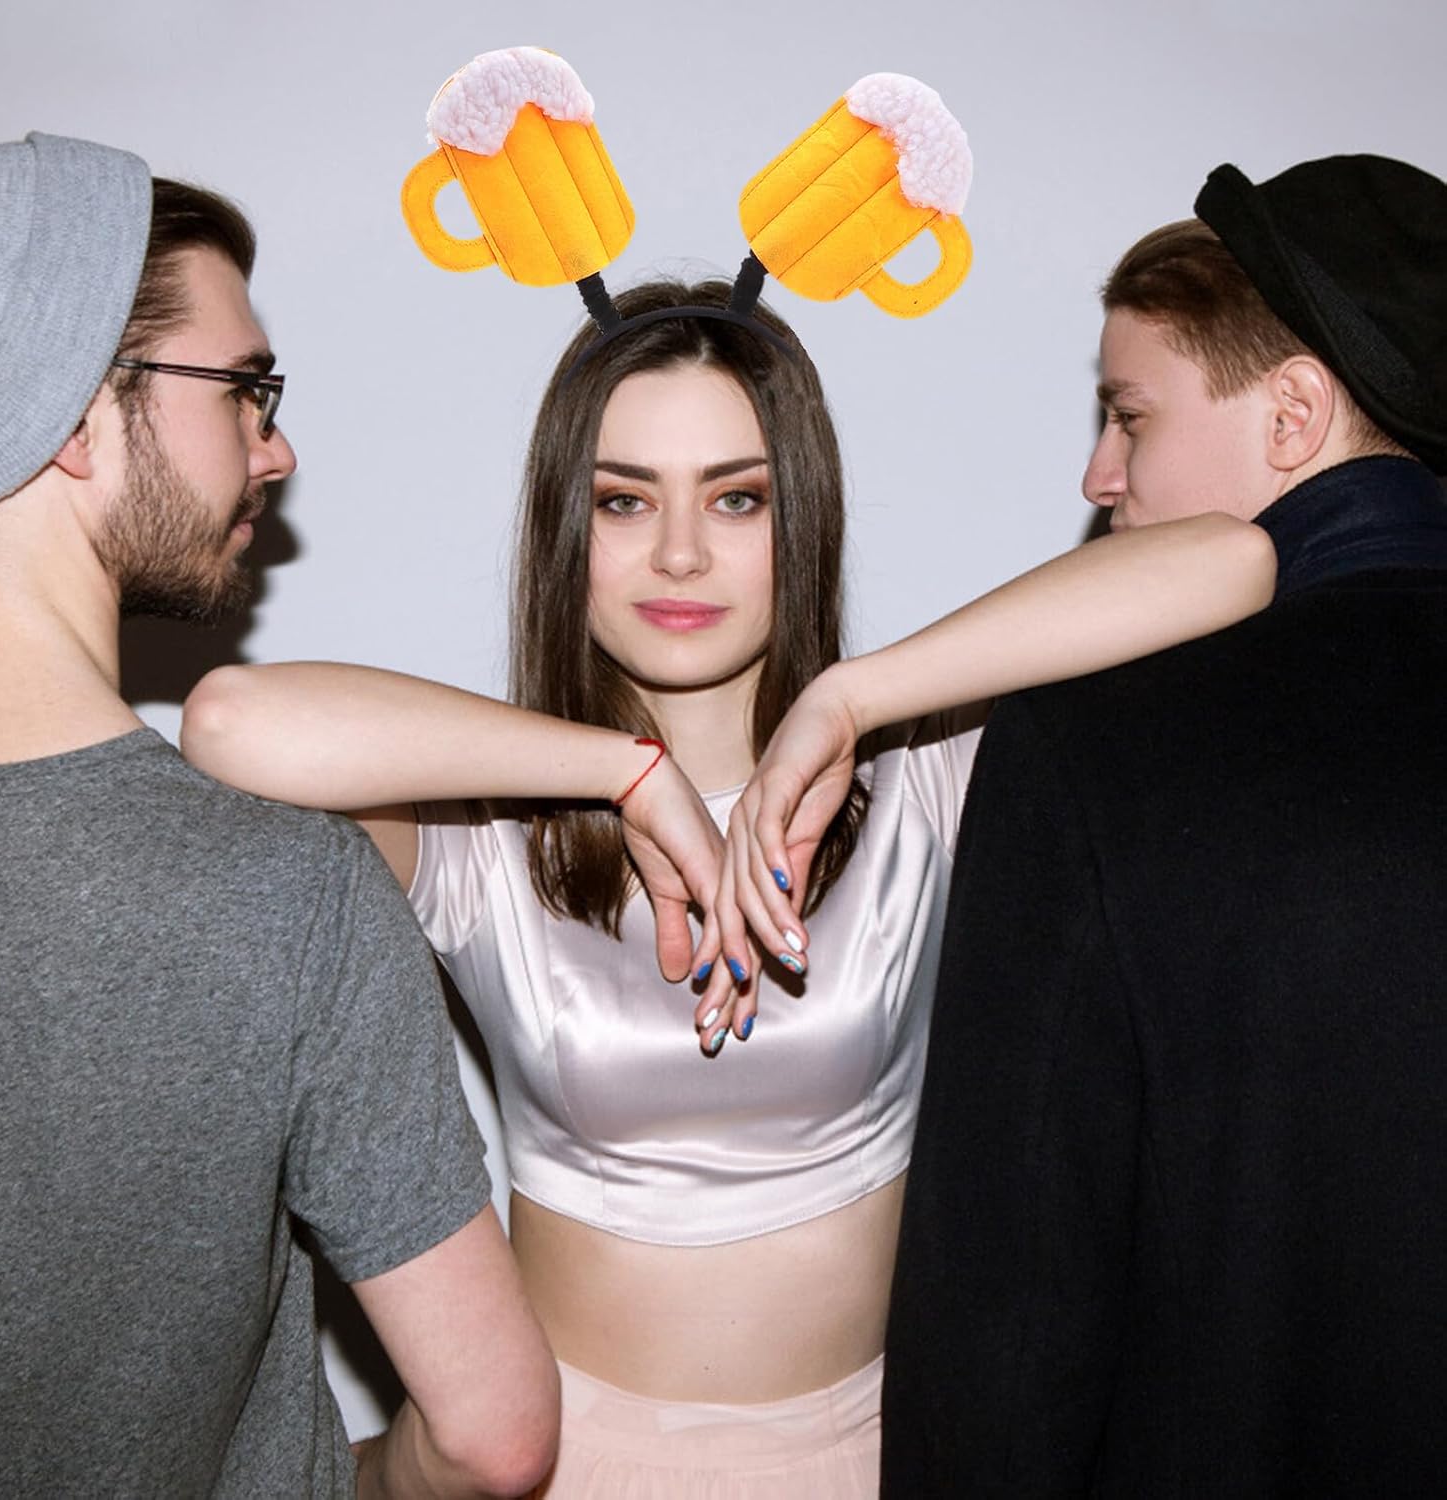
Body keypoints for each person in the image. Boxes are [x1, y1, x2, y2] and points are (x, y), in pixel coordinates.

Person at [180, 276, 1277, 1497]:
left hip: (882, 1455)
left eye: (737, 497)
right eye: (624, 500)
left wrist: (852, 699)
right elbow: (229, 723)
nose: (681, 552)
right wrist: (623, 773)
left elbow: (1231, 562)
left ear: (802, 515)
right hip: (568, 1464)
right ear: (566, 526)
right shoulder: (483, 831)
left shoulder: (919, 776)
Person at [0, 131, 574, 1500]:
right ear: (73, 412)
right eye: (243, 389)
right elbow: (496, 1436)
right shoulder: (287, 893)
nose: (275, 447)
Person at [876, 153, 1447, 1495]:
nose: (1097, 474)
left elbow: (1006, 1334)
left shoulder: (1094, 740)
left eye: (1130, 417)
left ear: (1294, 415)